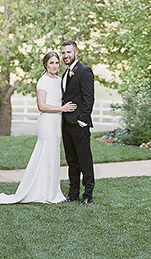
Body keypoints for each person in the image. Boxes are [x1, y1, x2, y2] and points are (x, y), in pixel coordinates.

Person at [0, 51, 76, 204]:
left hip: (56, 124)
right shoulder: (43, 81)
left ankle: (51, 191)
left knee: (52, 157)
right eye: (51, 63)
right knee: (46, 155)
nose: (54, 65)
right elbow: (41, 106)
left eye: (56, 62)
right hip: (47, 123)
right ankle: (42, 193)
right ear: (46, 64)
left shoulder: (59, 80)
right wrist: (62, 109)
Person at [60, 40, 95, 204]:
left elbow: (89, 99)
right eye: (63, 53)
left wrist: (82, 121)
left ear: (76, 52)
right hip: (66, 124)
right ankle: (73, 193)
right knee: (71, 160)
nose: (66, 56)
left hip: (79, 124)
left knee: (84, 159)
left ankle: (88, 194)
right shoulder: (66, 73)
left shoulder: (84, 71)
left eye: (69, 52)